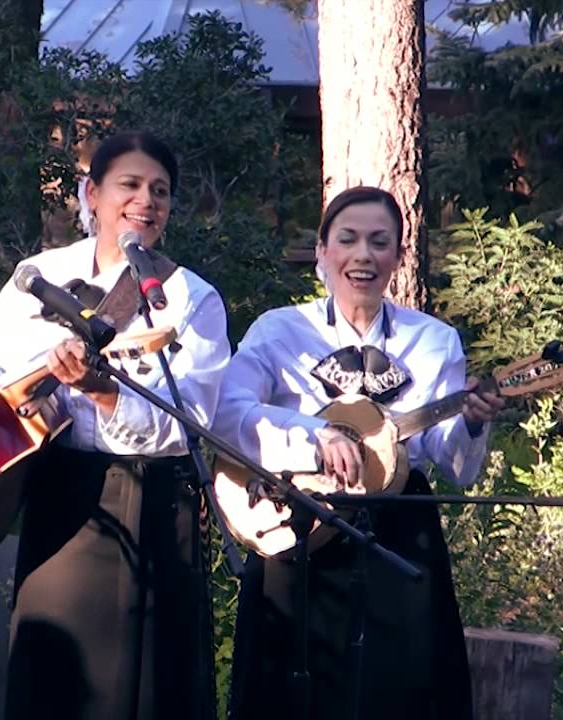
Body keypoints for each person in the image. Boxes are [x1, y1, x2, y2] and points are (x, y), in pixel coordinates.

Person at [0, 130, 230, 720]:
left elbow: (190, 419)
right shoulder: (40, 275)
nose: (146, 201)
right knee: (54, 677)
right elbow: (1, 371)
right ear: (92, 194)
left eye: (160, 190)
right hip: (64, 496)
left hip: (156, 503)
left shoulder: (189, 297)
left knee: (149, 685)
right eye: (129, 185)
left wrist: (100, 390)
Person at [214, 186, 505, 720]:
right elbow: (227, 413)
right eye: (347, 240)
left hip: (399, 530)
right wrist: (314, 435)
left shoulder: (434, 340)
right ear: (322, 251)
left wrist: (471, 422)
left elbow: (453, 466)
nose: (363, 255)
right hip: (299, 519)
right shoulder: (280, 330)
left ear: (399, 255)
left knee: (400, 689)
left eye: (379, 242)